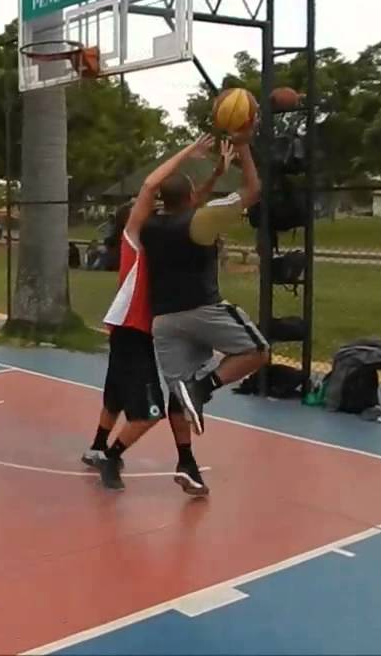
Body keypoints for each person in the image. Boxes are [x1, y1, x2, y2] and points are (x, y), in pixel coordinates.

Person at [141, 119, 268, 495]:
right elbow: (254, 190)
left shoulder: (149, 226)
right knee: (256, 350)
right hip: (202, 310)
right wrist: (243, 147)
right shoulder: (205, 219)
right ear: (192, 194)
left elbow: (179, 200)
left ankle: (187, 463)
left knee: (175, 392)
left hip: (163, 320)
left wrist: (214, 171)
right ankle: (204, 387)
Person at [85, 135, 219, 491]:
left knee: (126, 392)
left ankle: (104, 447)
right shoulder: (134, 240)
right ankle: (109, 457)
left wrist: (217, 171)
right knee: (148, 412)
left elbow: (189, 204)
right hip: (133, 330)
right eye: (144, 208)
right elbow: (150, 186)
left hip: (155, 329)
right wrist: (190, 152)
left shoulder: (164, 234)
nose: (150, 208)